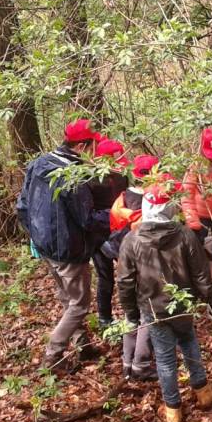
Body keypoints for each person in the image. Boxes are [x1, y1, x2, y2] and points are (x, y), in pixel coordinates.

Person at [116, 175, 212, 422]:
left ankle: (173, 408)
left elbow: (125, 282)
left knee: (165, 356)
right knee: (188, 343)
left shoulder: (132, 240)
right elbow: (201, 275)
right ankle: (202, 392)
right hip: (180, 305)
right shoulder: (184, 235)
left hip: (154, 308)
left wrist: (131, 313)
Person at [16, 118, 111, 372]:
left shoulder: (38, 163)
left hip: (46, 247)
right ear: (81, 146)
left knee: (68, 298)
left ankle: (83, 345)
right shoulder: (72, 176)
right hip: (69, 250)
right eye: (92, 145)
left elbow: (22, 206)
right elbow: (88, 220)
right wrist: (115, 214)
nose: (94, 151)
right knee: (79, 304)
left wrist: (36, 235)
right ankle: (52, 355)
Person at [106, 154, 160, 382]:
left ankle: (127, 362)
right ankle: (142, 364)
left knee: (131, 314)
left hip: (124, 260)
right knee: (149, 313)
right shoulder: (150, 204)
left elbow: (114, 226)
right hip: (144, 263)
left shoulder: (123, 198)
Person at [88, 137, 131, 328]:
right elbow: (87, 214)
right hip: (99, 235)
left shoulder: (123, 174)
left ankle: (133, 315)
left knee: (129, 274)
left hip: (121, 231)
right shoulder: (89, 179)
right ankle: (105, 318)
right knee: (105, 277)